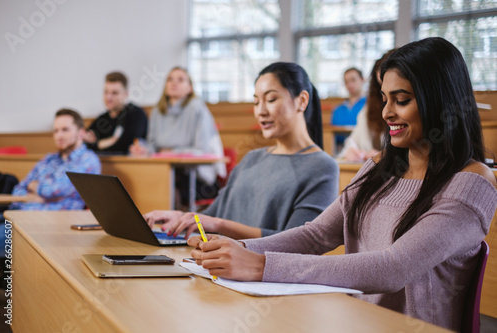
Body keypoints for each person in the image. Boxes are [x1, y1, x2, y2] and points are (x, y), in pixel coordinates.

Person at [186, 38, 497, 331]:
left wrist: (260, 265)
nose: (387, 112)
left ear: (441, 101)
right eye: (385, 99)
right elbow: (316, 235)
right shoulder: (379, 166)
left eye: (402, 100)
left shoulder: (471, 183)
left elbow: (393, 268)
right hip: (353, 321)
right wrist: (235, 249)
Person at [144, 62, 339, 239]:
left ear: (302, 101)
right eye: (256, 102)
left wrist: (219, 225)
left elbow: (298, 243)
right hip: (217, 267)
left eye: (271, 99)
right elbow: (211, 217)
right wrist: (178, 217)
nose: (261, 111)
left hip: (260, 274)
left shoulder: (322, 166)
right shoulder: (252, 159)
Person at [0, 109, 101, 255]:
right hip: (17, 213)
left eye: (65, 130)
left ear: (81, 133)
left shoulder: (88, 160)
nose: (59, 135)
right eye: (56, 131)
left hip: (45, 224)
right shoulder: (48, 159)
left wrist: (35, 187)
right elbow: (19, 188)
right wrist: (37, 192)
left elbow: (54, 190)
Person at [130, 66, 226, 205]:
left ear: (190, 88)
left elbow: (202, 150)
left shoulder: (197, 108)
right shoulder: (157, 111)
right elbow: (153, 145)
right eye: (170, 79)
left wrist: (171, 152)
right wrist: (144, 149)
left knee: (167, 188)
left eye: (180, 80)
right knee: (144, 182)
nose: (174, 83)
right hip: (166, 171)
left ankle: (170, 223)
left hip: (197, 178)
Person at [339, 50, 396, 162]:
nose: (385, 112)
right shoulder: (369, 110)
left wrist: (385, 156)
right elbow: (353, 142)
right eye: (381, 89)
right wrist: (351, 151)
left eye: (401, 98)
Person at [84, 72, 148, 154]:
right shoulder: (103, 118)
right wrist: (108, 142)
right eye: (106, 92)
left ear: (126, 94)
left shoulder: (136, 114)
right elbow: (85, 143)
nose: (108, 97)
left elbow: (124, 147)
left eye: (115, 93)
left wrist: (97, 144)